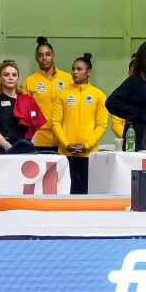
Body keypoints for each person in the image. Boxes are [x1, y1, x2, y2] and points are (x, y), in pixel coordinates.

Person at [51, 54, 108, 194]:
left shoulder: (99, 95)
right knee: (66, 191)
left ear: (88, 72)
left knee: (86, 192)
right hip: (65, 153)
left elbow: (101, 125)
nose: (75, 72)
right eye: (73, 69)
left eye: (79, 69)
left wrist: (87, 145)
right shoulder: (62, 94)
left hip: (88, 154)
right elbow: (55, 122)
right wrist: (66, 144)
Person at [24, 37, 69, 154]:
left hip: (65, 138)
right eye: (40, 55)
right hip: (39, 138)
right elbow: (26, 111)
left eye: (48, 54)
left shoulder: (68, 79)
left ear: (54, 55)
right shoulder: (30, 81)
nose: (44, 58)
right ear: (36, 58)